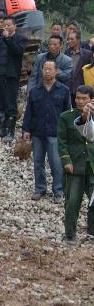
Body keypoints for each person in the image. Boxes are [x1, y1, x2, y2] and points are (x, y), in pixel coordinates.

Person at [23, 60, 72, 202]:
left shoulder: (64, 90)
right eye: (45, 69)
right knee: (38, 162)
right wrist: (26, 129)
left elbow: (67, 112)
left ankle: (58, 190)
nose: (47, 72)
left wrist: (67, 132)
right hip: (38, 132)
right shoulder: (35, 91)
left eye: (50, 69)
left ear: (56, 71)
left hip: (55, 133)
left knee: (56, 163)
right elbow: (29, 112)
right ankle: (40, 189)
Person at [60, 85, 94, 241]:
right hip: (75, 165)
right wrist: (66, 159)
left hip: (92, 165)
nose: (80, 101)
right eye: (78, 98)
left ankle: (91, 232)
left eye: (84, 98)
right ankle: (70, 235)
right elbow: (61, 141)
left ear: (91, 100)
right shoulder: (66, 117)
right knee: (73, 201)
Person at [0, 16, 27, 139]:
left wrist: (8, 38)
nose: (6, 27)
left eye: (9, 25)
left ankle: (10, 132)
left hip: (11, 76)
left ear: (15, 26)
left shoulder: (20, 39)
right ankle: (1, 129)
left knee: (10, 104)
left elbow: (17, 51)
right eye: (4, 25)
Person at [64, 28, 92, 101]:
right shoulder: (66, 53)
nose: (69, 41)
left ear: (78, 39)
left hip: (81, 91)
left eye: (72, 39)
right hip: (67, 89)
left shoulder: (87, 54)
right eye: (68, 39)